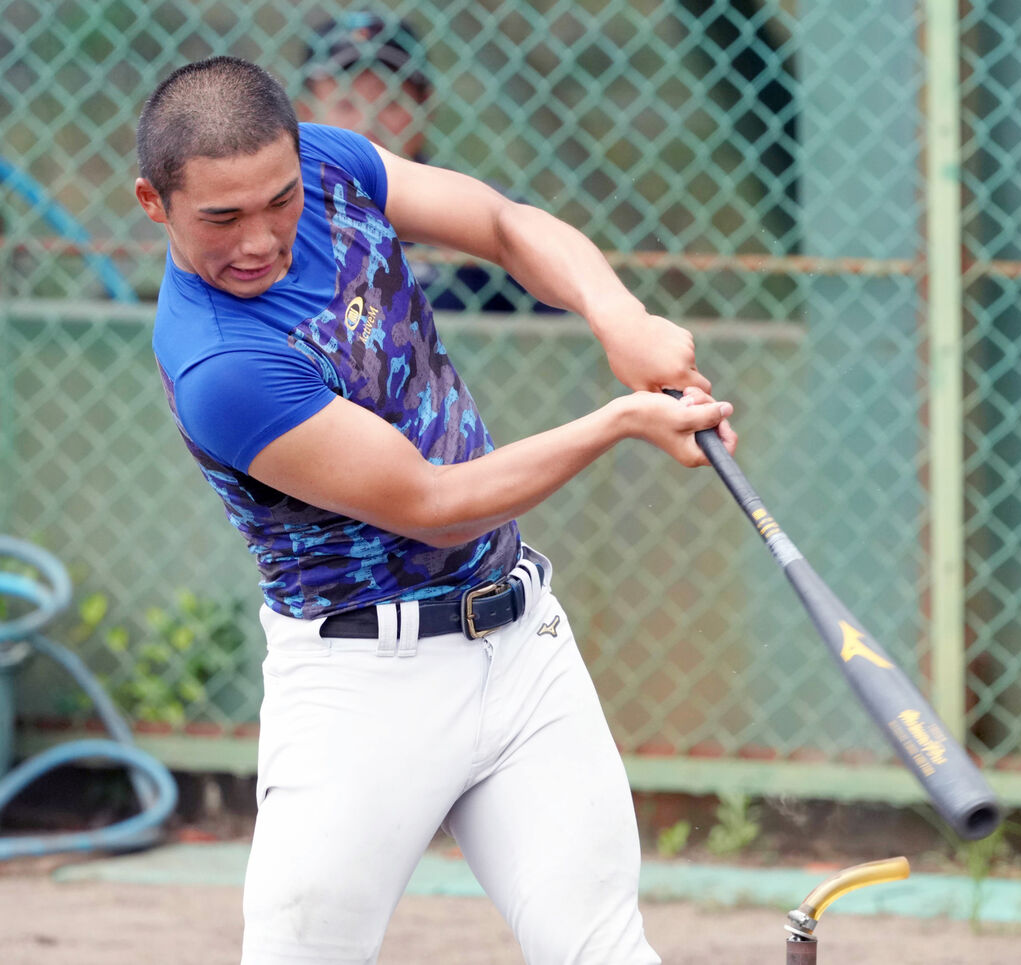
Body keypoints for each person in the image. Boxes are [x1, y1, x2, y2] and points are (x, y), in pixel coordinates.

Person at [133, 56, 735, 965]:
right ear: (155, 203)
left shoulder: (330, 167)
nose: (261, 238)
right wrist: (621, 421)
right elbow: (435, 505)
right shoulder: (222, 365)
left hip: (520, 645)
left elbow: (499, 221)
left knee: (605, 950)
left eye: (279, 200)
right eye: (222, 217)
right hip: (363, 687)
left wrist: (619, 315)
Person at [298, 11, 559, 314]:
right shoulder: (280, 211)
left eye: (391, 102)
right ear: (306, 112)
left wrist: (490, 250)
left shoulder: (476, 209)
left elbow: (559, 327)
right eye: (345, 104)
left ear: (426, 107)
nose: (368, 122)